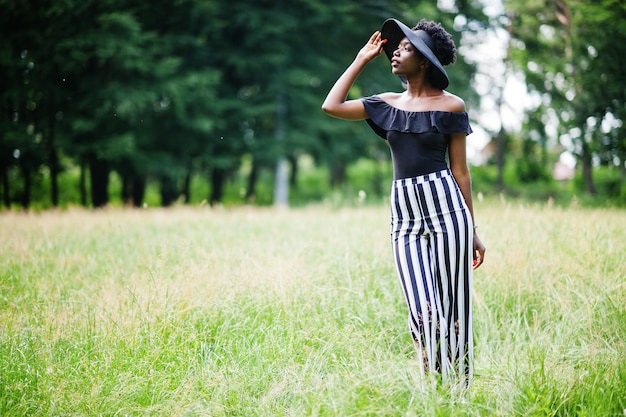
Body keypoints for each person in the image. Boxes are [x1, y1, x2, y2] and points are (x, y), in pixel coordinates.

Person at [321, 18, 486, 385]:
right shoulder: (385, 104)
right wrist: (361, 59)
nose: (395, 50)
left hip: (448, 213)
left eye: (406, 47)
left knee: (454, 309)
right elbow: (331, 106)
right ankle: (433, 383)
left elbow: (460, 172)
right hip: (405, 219)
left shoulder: (452, 106)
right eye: (397, 46)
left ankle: (456, 394)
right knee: (423, 310)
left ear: (424, 60)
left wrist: (472, 230)